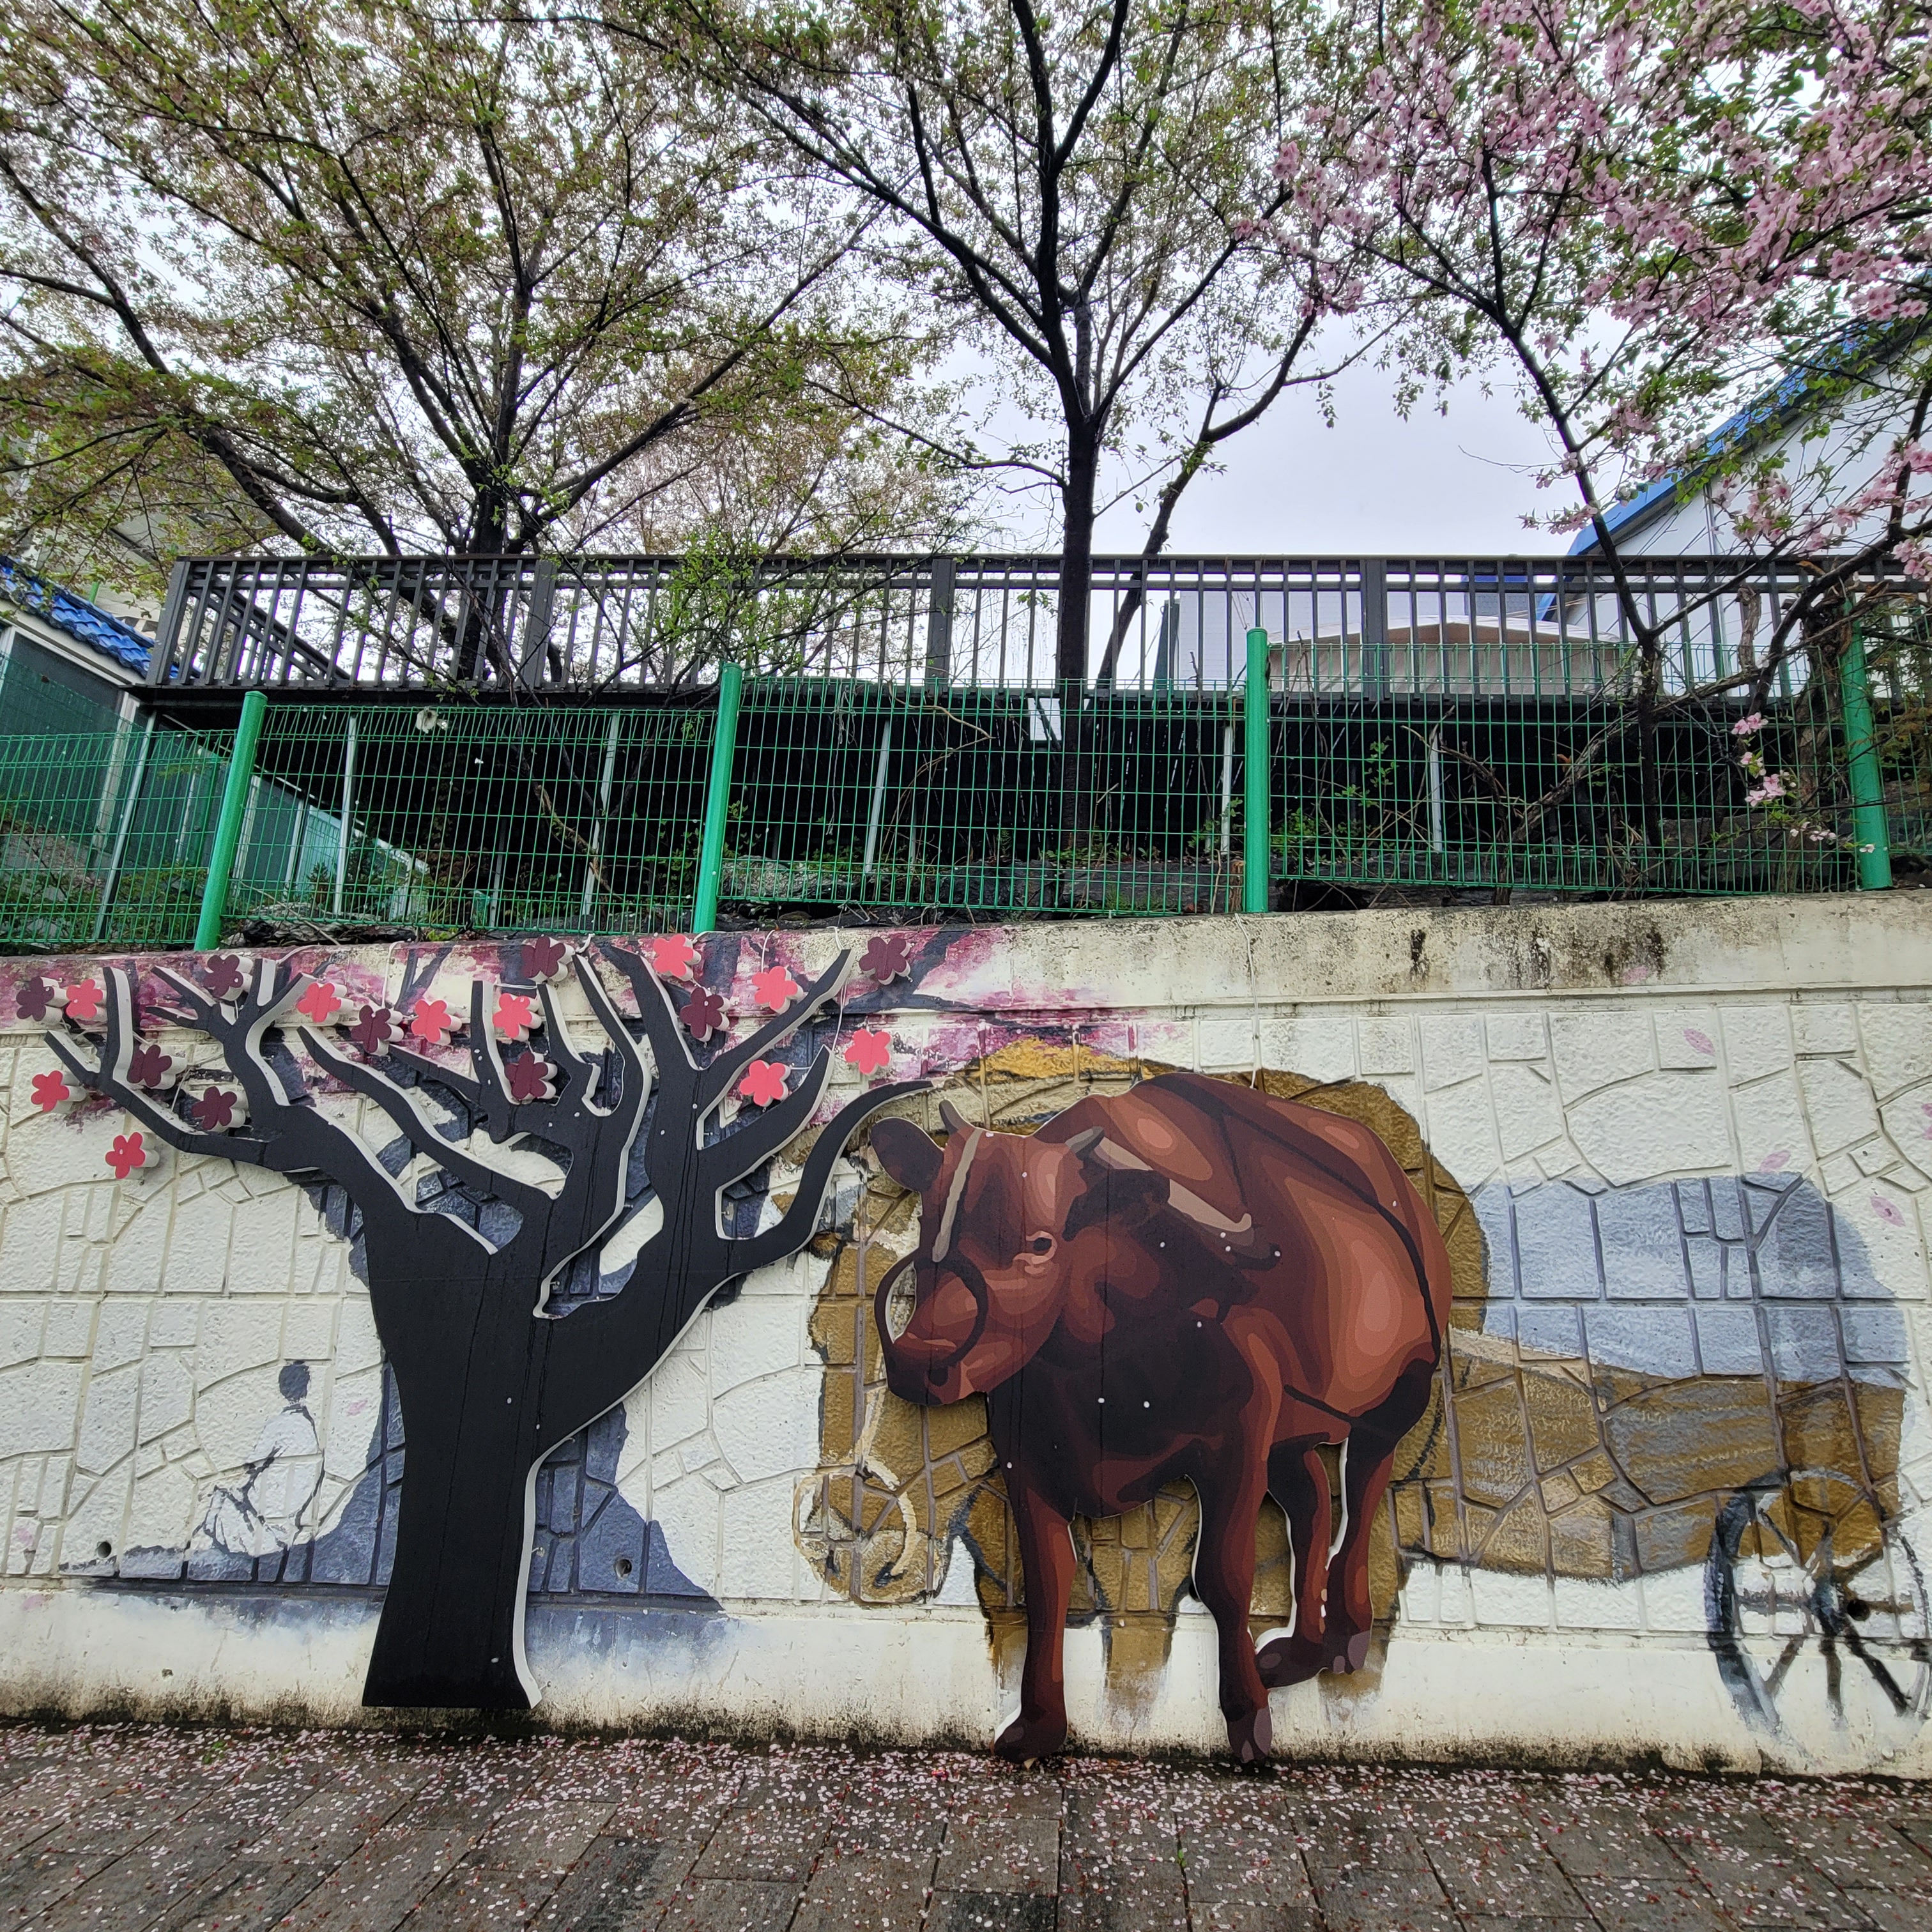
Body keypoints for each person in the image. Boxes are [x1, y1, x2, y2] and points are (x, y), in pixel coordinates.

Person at [198, 1362, 323, 1559]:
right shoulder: (308, 1426)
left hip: (270, 1506)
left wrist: (231, 1486)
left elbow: (252, 1465)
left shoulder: (279, 1425)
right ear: (306, 1388)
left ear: (282, 1389)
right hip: (293, 1507)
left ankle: (219, 1552)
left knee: (222, 1495)